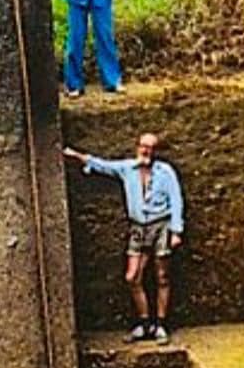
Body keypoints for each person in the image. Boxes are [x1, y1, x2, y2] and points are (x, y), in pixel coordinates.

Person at [64, 133, 184, 343]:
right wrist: (76, 156)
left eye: (150, 147)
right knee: (132, 276)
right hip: (139, 228)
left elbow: (176, 200)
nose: (146, 151)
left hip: (160, 226)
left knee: (162, 276)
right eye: (143, 146)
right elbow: (103, 165)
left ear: (156, 151)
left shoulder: (165, 172)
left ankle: (161, 325)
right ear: (137, 147)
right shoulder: (128, 168)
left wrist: (176, 231)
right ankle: (144, 322)